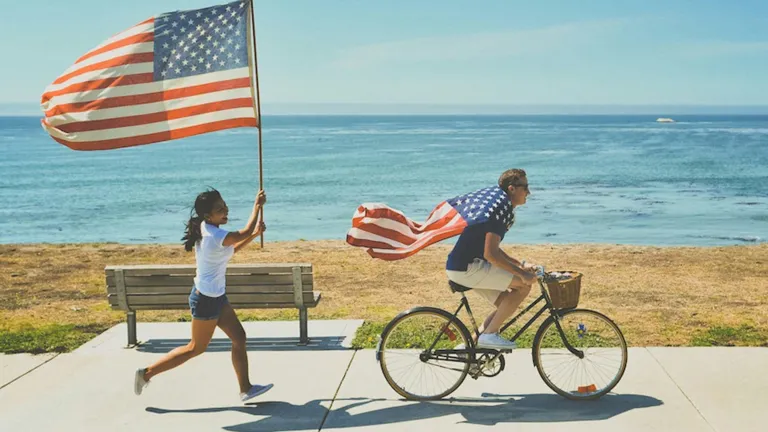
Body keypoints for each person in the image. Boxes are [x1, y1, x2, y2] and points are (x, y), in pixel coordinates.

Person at [134, 188, 272, 402]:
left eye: (224, 206)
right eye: (219, 209)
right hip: (205, 300)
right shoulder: (213, 234)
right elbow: (242, 233)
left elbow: (231, 250)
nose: (225, 210)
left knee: (239, 338)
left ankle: (246, 388)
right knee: (195, 348)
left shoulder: (209, 228)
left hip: (217, 296)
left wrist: (254, 235)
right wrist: (256, 206)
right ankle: (146, 373)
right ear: (208, 215)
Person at [445, 169, 537, 350]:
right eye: (525, 187)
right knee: (524, 286)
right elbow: (491, 255)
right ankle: (488, 335)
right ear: (512, 189)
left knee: (506, 303)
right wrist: (522, 274)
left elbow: (494, 250)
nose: (529, 192)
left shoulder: (498, 206)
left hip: (463, 266)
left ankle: (470, 347)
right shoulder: (498, 211)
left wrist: (520, 265)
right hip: (467, 268)